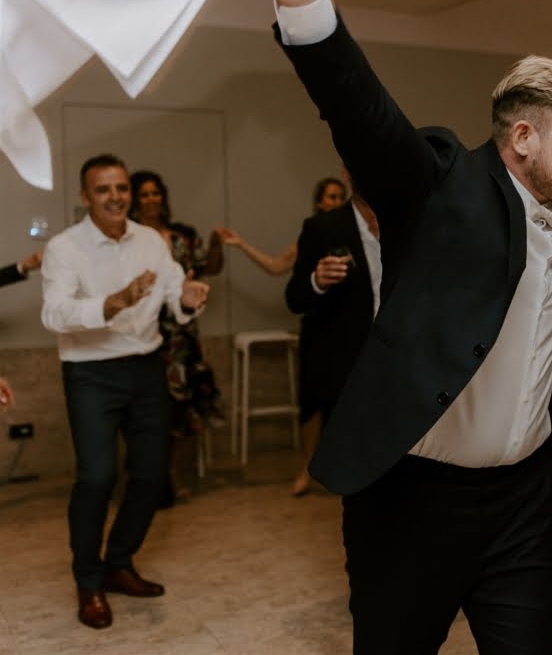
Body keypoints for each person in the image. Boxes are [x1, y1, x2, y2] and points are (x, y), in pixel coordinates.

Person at [236, 0, 552, 654]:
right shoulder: (440, 187)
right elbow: (360, 110)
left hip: (525, 507)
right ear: (523, 137)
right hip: (413, 505)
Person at [40, 153, 209, 630]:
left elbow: (175, 292)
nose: (115, 197)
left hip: (147, 367)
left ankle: (118, 562)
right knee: (97, 477)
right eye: (103, 189)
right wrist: (110, 304)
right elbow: (53, 313)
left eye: (121, 188)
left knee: (152, 475)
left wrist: (187, 299)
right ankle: (88, 580)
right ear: (85, 197)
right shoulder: (64, 247)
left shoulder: (152, 241)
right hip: (90, 372)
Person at [129, 170, 225, 503]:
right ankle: (147, 478)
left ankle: (176, 475)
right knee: (148, 409)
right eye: (144, 194)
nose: (151, 199)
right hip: (143, 333)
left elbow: (210, 268)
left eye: (156, 193)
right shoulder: (128, 240)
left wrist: (216, 243)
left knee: (184, 408)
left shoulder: (183, 237)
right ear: (134, 200)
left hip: (182, 336)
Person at [285, 175, 382, 497]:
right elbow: (294, 296)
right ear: (348, 172)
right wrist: (317, 279)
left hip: (392, 347)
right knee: (317, 406)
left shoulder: (406, 219)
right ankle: (313, 468)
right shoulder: (322, 228)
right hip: (337, 345)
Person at [216, 177, 347, 275]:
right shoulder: (312, 236)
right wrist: (241, 244)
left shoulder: (350, 231)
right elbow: (276, 266)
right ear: (319, 203)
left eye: (342, 198)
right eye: (332, 197)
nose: (338, 203)